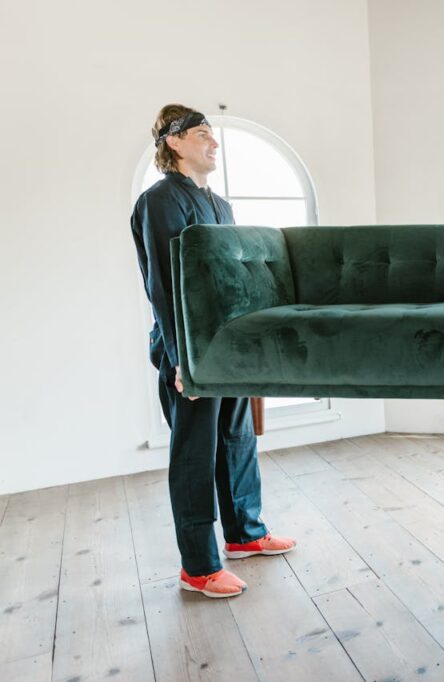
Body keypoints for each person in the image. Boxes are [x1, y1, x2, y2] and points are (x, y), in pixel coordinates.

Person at [131, 104, 295, 599]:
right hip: (190, 351)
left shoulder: (221, 206)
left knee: (238, 439)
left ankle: (245, 534)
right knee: (195, 455)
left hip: (228, 345)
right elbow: (163, 285)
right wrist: (183, 357)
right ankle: (199, 567)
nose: (214, 143)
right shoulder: (159, 202)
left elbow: (235, 281)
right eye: (203, 134)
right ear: (174, 142)